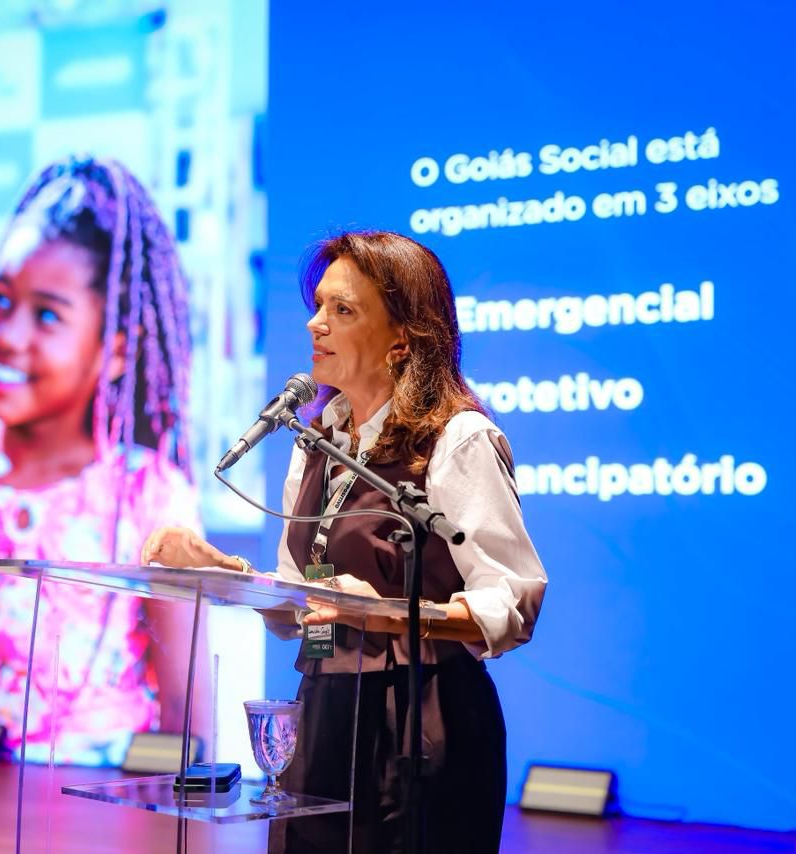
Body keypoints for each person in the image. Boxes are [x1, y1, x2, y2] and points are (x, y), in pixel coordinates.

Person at [142, 230, 547, 853]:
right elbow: (296, 608)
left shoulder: (457, 438)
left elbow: (511, 603)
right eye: (318, 305)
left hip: (421, 717)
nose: (315, 323)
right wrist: (223, 569)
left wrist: (387, 615)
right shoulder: (315, 446)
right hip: (324, 710)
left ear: (402, 339)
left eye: (343, 309)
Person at [0, 155, 208, 765]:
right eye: (0, 299)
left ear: (115, 350)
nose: (9, 334)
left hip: (111, 805)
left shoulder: (149, 495)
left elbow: (188, 715)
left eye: (47, 315)